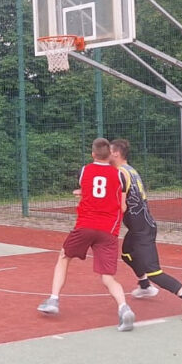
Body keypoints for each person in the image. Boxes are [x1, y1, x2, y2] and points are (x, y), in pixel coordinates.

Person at [37, 138, 135, 331]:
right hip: (108, 230)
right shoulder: (120, 175)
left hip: (86, 225)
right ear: (110, 155)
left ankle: (53, 299)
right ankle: (124, 308)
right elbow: (121, 205)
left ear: (93, 154)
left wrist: (83, 194)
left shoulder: (84, 171)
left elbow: (93, 188)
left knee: (64, 257)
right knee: (107, 277)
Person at [109, 138, 182, 321]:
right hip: (139, 227)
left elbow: (121, 205)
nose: (106, 155)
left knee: (154, 271)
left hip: (142, 229)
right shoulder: (129, 170)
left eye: (109, 151)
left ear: (116, 153)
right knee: (127, 254)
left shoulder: (121, 173)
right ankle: (145, 286)